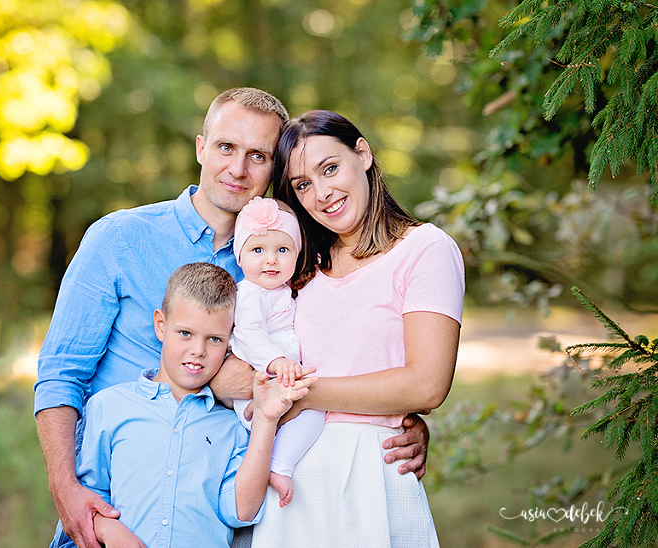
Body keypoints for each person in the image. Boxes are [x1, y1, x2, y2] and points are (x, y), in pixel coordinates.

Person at [34, 88, 429, 548]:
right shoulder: (119, 239)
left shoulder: (287, 263)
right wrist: (66, 488)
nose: (238, 169)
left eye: (258, 156)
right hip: (120, 517)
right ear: (201, 147)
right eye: (226, 147)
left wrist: (403, 422)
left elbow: (339, 356)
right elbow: (61, 375)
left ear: (273, 169)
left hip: (229, 525)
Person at [246, 110, 466, 548]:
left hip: (370, 471)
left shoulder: (425, 250)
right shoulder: (298, 264)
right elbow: (246, 347)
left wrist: (300, 396)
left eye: (330, 168)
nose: (323, 193)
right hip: (287, 476)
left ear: (362, 153)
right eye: (303, 185)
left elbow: (426, 385)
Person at [75, 263, 316, 548]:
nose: (198, 351)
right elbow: (91, 494)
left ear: (230, 343)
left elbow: (242, 511)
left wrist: (264, 419)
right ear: (161, 325)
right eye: (185, 333)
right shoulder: (110, 406)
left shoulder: (232, 425)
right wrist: (107, 528)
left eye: (214, 339)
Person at [229, 197, 325, 507]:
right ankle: (278, 467)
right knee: (313, 414)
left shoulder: (285, 290)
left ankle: (276, 462)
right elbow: (248, 333)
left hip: (281, 379)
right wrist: (276, 361)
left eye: (282, 250)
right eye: (258, 250)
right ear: (240, 257)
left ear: (297, 255)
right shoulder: (249, 293)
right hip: (259, 384)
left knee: (313, 414)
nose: (271, 260)